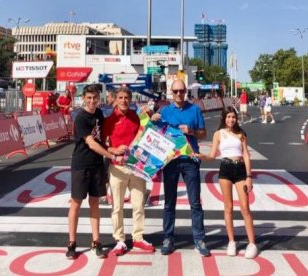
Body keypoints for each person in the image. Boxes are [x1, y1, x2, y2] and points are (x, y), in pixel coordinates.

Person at [151, 79, 210, 257]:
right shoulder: (165, 111)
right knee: (169, 202)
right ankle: (168, 237)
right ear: (171, 91)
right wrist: (152, 119)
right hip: (171, 161)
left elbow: (203, 133)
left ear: (186, 92)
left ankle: (199, 239)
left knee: (195, 202)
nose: (178, 94)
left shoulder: (195, 109)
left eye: (181, 91)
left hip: (190, 160)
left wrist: (191, 131)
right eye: (175, 91)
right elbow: (152, 132)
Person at [197, 106, 258, 258]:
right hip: (225, 169)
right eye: (228, 117)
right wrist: (201, 156)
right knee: (228, 207)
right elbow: (212, 155)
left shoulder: (241, 134)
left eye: (233, 117)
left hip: (240, 170)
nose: (231, 120)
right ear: (224, 118)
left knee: (245, 207)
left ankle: (252, 243)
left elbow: (246, 155)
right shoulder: (218, 134)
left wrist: (249, 177)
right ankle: (231, 241)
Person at [102, 86, 155, 256]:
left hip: (137, 168)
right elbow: (104, 144)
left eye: (127, 98)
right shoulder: (109, 120)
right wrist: (113, 149)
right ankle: (120, 240)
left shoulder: (137, 117)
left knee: (138, 205)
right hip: (117, 168)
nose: (124, 100)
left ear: (130, 99)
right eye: (121, 97)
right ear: (115, 99)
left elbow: (149, 134)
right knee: (117, 207)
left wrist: (151, 116)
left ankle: (138, 237)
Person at [67, 84, 117, 259]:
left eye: (94, 98)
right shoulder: (80, 118)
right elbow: (92, 143)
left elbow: (102, 139)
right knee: (76, 203)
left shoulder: (99, 114)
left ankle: (96, 241)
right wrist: (110, 154)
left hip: (97, 165)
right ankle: (72, 243)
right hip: (81, 164)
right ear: (83, 98)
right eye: (88, 98)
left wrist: (113, 148)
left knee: (95, 203)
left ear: (99, 98)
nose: (92, 101)